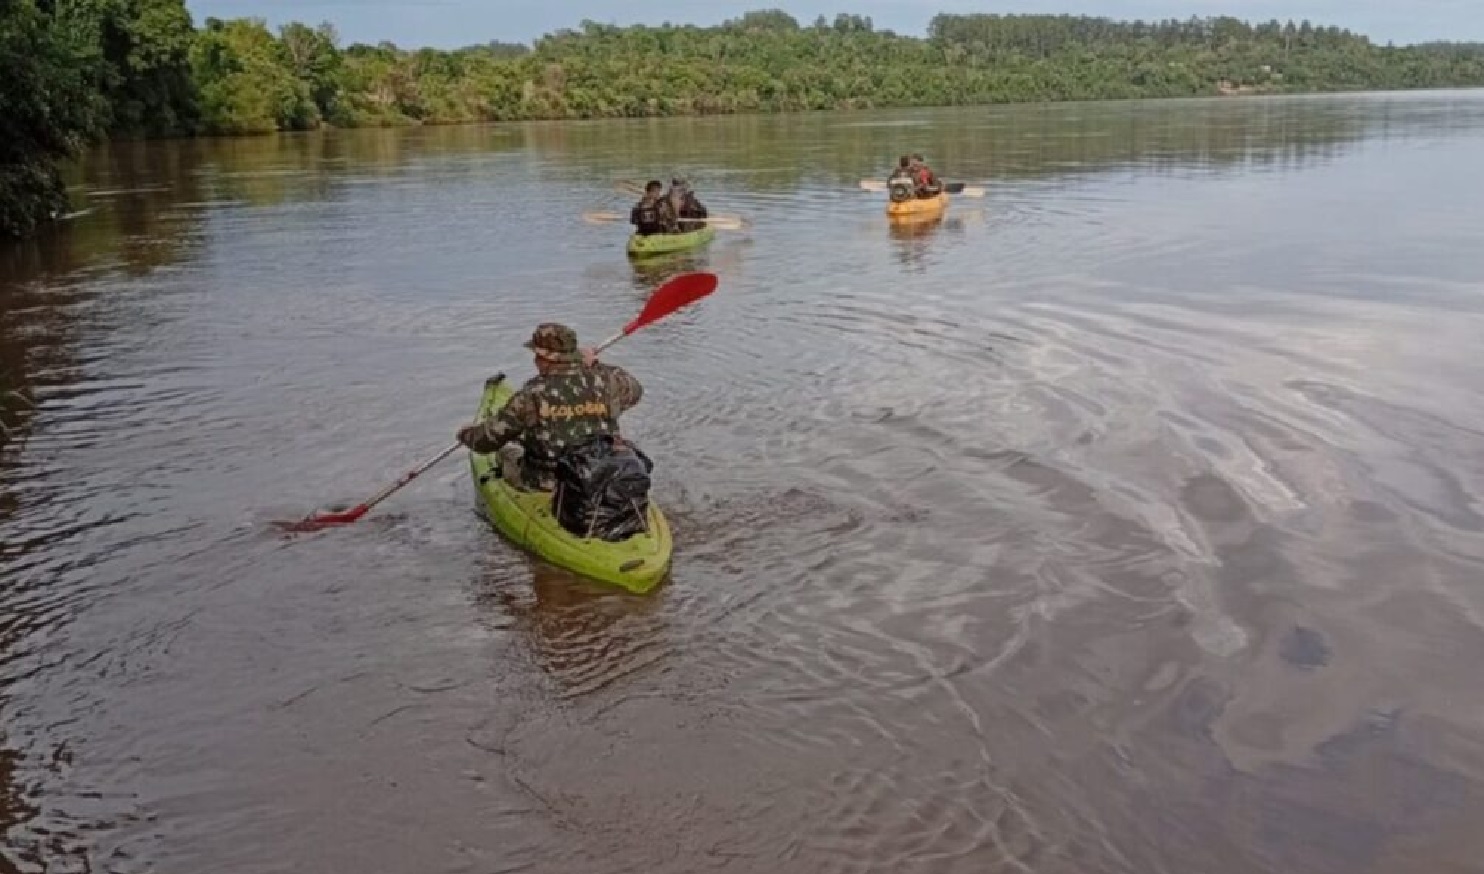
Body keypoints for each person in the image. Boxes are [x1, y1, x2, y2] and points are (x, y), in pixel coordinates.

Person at [457, 323, 644, 491]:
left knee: (506, 452)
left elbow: (486, 442)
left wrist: (466, 434)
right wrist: (596, 364)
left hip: (547, 481)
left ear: (543, 358)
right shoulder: (607, 382)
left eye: (536, 356)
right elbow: (635, 390)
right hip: (600, 473)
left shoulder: (532, 394)